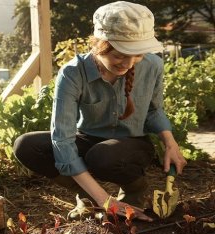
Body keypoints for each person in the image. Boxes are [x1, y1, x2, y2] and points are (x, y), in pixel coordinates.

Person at [13, 1, 187, 221]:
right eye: (119, 55)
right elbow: (63, 139)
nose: (129, 64)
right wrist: (104, 199)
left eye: (137, 55)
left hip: (131, 145)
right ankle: (88, 196)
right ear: (99, 45)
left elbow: (153, 111)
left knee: (104, 156)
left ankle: (134, 189)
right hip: (87, 139)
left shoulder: (152, 65)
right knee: (27, 145)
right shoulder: (73, 73)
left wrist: (170, 143)